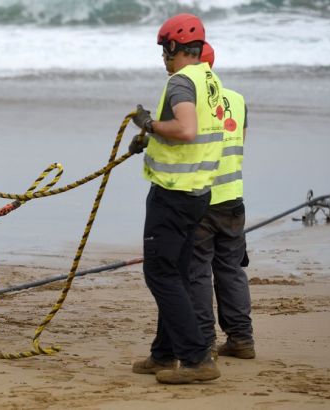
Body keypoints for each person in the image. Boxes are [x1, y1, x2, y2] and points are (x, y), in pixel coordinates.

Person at [128, 14, 225, 384]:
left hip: (174, 193)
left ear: (173, 47)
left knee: (161, 274)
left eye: (163, 50)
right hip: (198, 192)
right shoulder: (209, 79)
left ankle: (196, 359)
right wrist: (152, 137)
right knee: (177, 273)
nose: (162, 58)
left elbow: (186, 128)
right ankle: (164, 354)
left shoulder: (181, 82)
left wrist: (149, 125)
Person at [189, 43, 255, 359]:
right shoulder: (239, 100)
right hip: (232, 199)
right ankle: (241, 340)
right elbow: (239, 140)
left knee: (197, 273)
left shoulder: (187, 103)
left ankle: (204, 344)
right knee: (230, 270)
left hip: (200, 200)